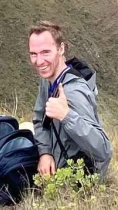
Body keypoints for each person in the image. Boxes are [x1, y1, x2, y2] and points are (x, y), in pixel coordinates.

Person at [27, 22, 112, 178]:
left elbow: (104, 150)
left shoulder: (74, 91)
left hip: (80, 179)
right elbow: (40, 119)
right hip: (57, 161)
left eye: (46, 52)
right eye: (34, 54)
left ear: (61, 49)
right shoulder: (48, 79)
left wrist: (66, 115)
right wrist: (45, 153)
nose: (39, 61)